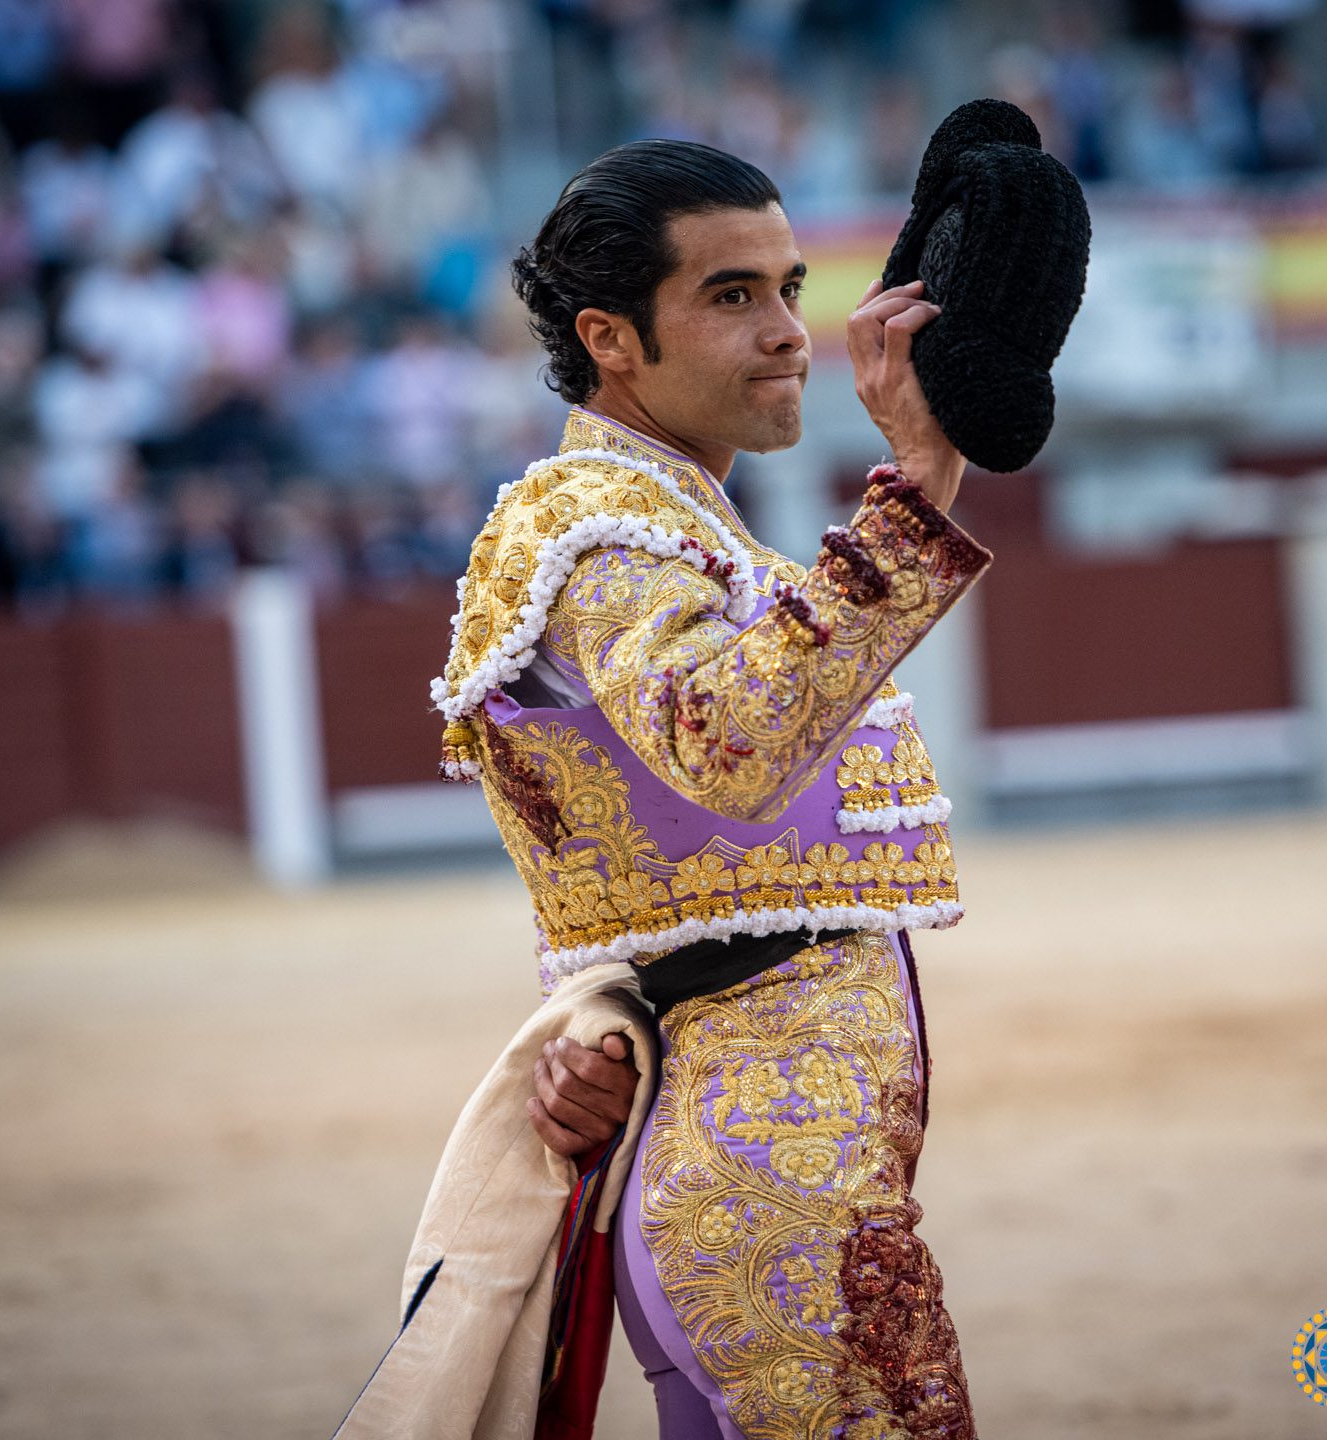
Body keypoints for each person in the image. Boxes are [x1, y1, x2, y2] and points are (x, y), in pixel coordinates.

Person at [433, 139, 988, 1438]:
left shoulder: (663, 526)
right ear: (611, 339)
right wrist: (919, 496)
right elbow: (723, 744)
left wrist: (609, 1014)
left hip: (770, 1178)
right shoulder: (603, 531)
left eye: (790, 287)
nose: (792, 332)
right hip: (769, 1202)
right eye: (733, 296)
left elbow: (655, 865)